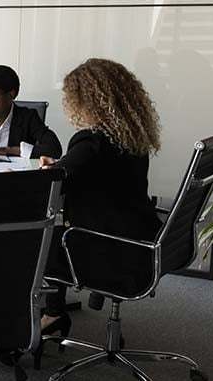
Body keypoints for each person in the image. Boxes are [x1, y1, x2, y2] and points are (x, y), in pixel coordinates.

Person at [38, 58, 162, 345]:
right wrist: (60, 164)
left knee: (36, 240)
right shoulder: (130, 138)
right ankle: (55, 311)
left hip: (107, 248)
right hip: (141, 242)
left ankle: (51, 313)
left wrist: (48, 170)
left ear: (86, 101)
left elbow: (49, 186)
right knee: (54, 235)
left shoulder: (90, 142)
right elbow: (94, 173)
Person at [0, 65, 62, 159]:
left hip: (14, 173)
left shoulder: (28, 117)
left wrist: (7, 150)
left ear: (12, 94)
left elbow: (54, 149)